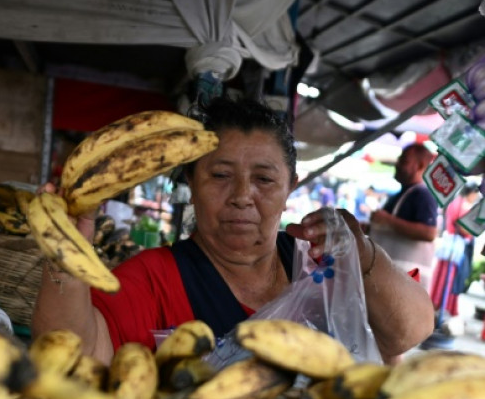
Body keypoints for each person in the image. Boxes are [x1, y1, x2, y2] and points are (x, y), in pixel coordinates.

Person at [31, 96, 434, 365]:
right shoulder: (153, 279)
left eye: (264, 179)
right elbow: (72, 356)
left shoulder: (319, 267)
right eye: (221, 175)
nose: (242, 196)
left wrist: (362, 253)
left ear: (290, 187)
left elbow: (410, 333)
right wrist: (66, 254)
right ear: (191, 183)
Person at [367, 143, 439, 293]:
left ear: (420, 166)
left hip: (404, 284)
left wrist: (388, 220)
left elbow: (429, 233)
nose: (397, 165)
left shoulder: (423, 195)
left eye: (404, 161)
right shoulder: (399, 195)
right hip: (388, 278)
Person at [429, 184, 478, 329]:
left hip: (451, 246)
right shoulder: (461, 205)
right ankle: (440, 310)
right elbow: (464, 228)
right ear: (472, 193)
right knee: (448, 279)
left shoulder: (456, 203)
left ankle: (439, 308)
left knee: (444, 278)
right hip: (454, 248)